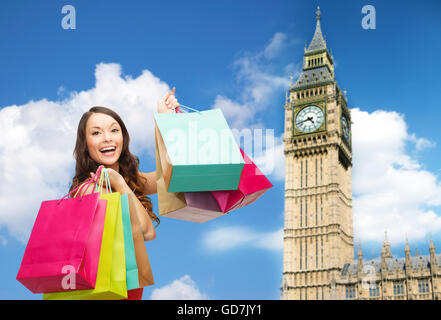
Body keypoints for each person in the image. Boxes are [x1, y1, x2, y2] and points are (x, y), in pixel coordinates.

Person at [68, 87, 180, 299]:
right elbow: (147, 232)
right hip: (105, 290)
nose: (107, 138)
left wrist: (164, 123)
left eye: (114, 130)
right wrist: (120, 184)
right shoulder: (89, 190)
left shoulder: (129, 179)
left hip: (128, 287)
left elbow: (168, 176)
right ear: (85, 146)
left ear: (123, 137)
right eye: (96, 133)